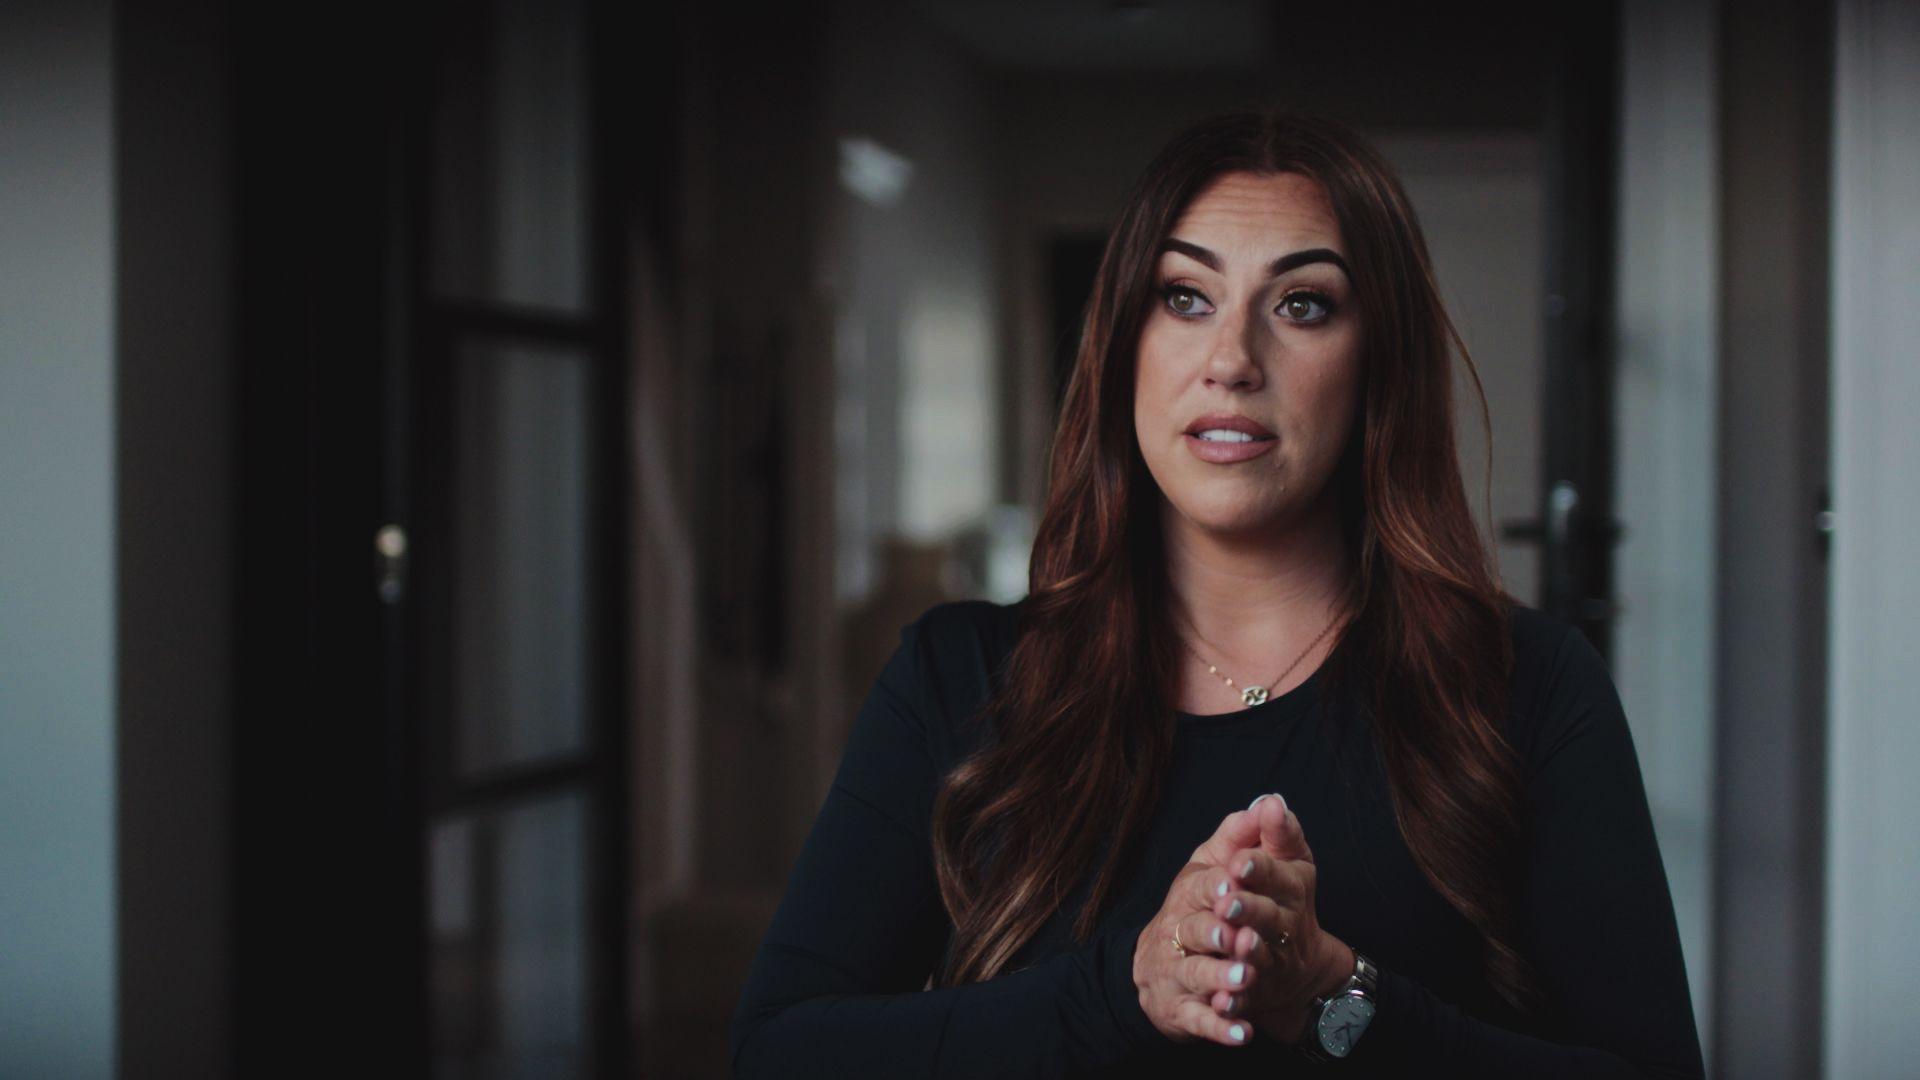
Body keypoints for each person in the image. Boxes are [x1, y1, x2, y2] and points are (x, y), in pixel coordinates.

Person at [728, 110, 1706, 1078]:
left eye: (1302, 305)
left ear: (1379, 367)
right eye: (1185, 297)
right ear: (1122, 347)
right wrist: (1122, 993)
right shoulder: (958, 679)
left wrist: (1336, 997)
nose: (1232, 360)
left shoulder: (1526, 691)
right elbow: (779, 1050)